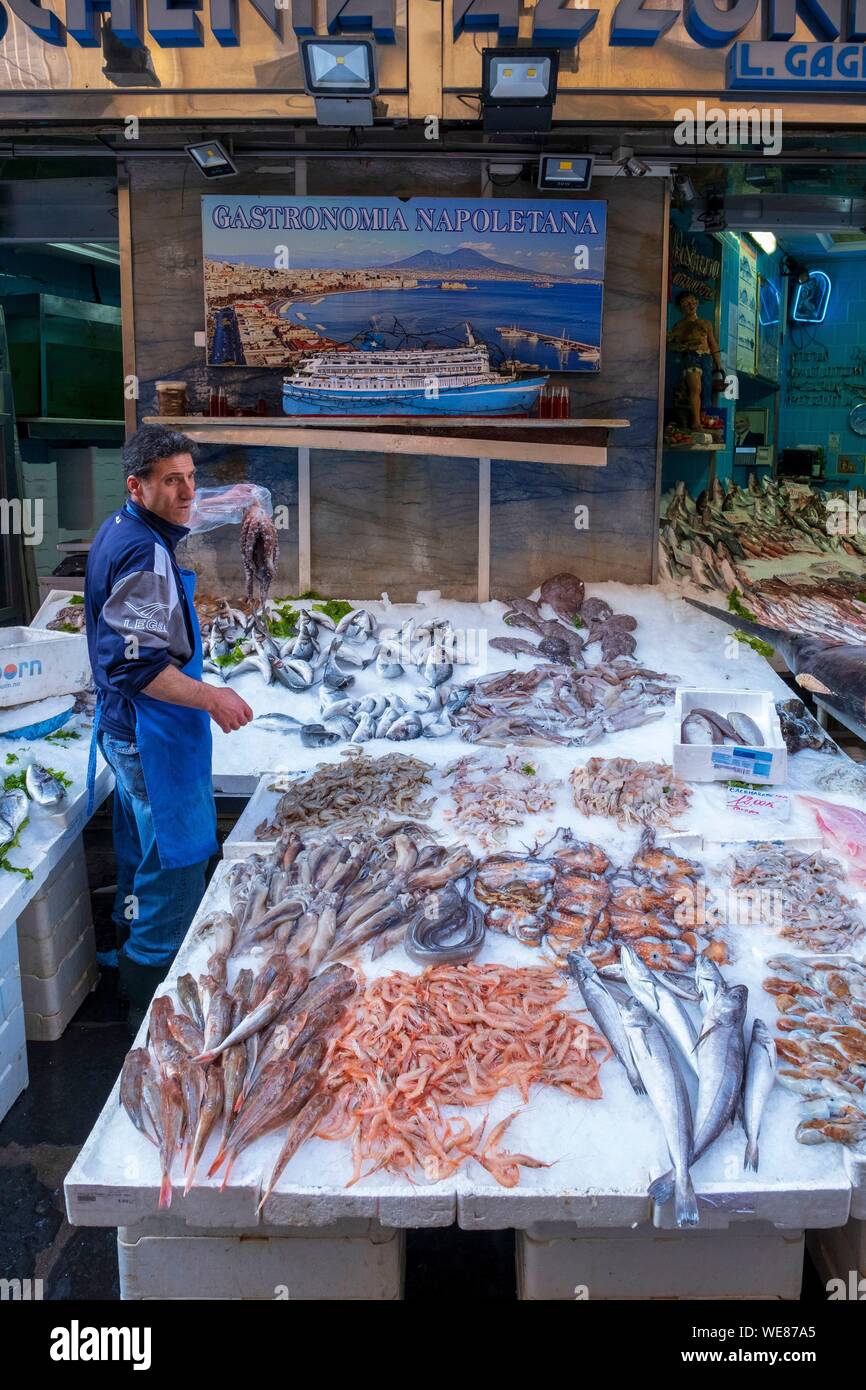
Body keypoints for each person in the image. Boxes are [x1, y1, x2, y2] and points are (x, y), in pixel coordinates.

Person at [84, 425, 254, 1030]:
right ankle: (152, 1006)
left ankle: (124, 954)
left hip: (126, 730)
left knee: (137, 848)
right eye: (171, 481)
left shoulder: (123, 525)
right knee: (176, 865)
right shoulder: (143, 555)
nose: (186, 492)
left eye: (191, 477)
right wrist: (213, 698)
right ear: (138, 486)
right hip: (153, 735)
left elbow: (185, 512)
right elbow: (138, 665)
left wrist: (239, 498)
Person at [667, 291, 724, 430]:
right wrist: (679, 347)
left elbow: (713, 344)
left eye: (692, 301)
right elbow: (670, 344)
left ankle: (702, 417)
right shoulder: (679, 326)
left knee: (706, 389)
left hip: (706, 358)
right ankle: (695, 421)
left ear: (697, 303)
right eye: (686, 303)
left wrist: (719, 365)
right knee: (696, 387)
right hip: (691, 358)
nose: (690, 305)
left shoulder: (705, 323)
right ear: (681, 307)